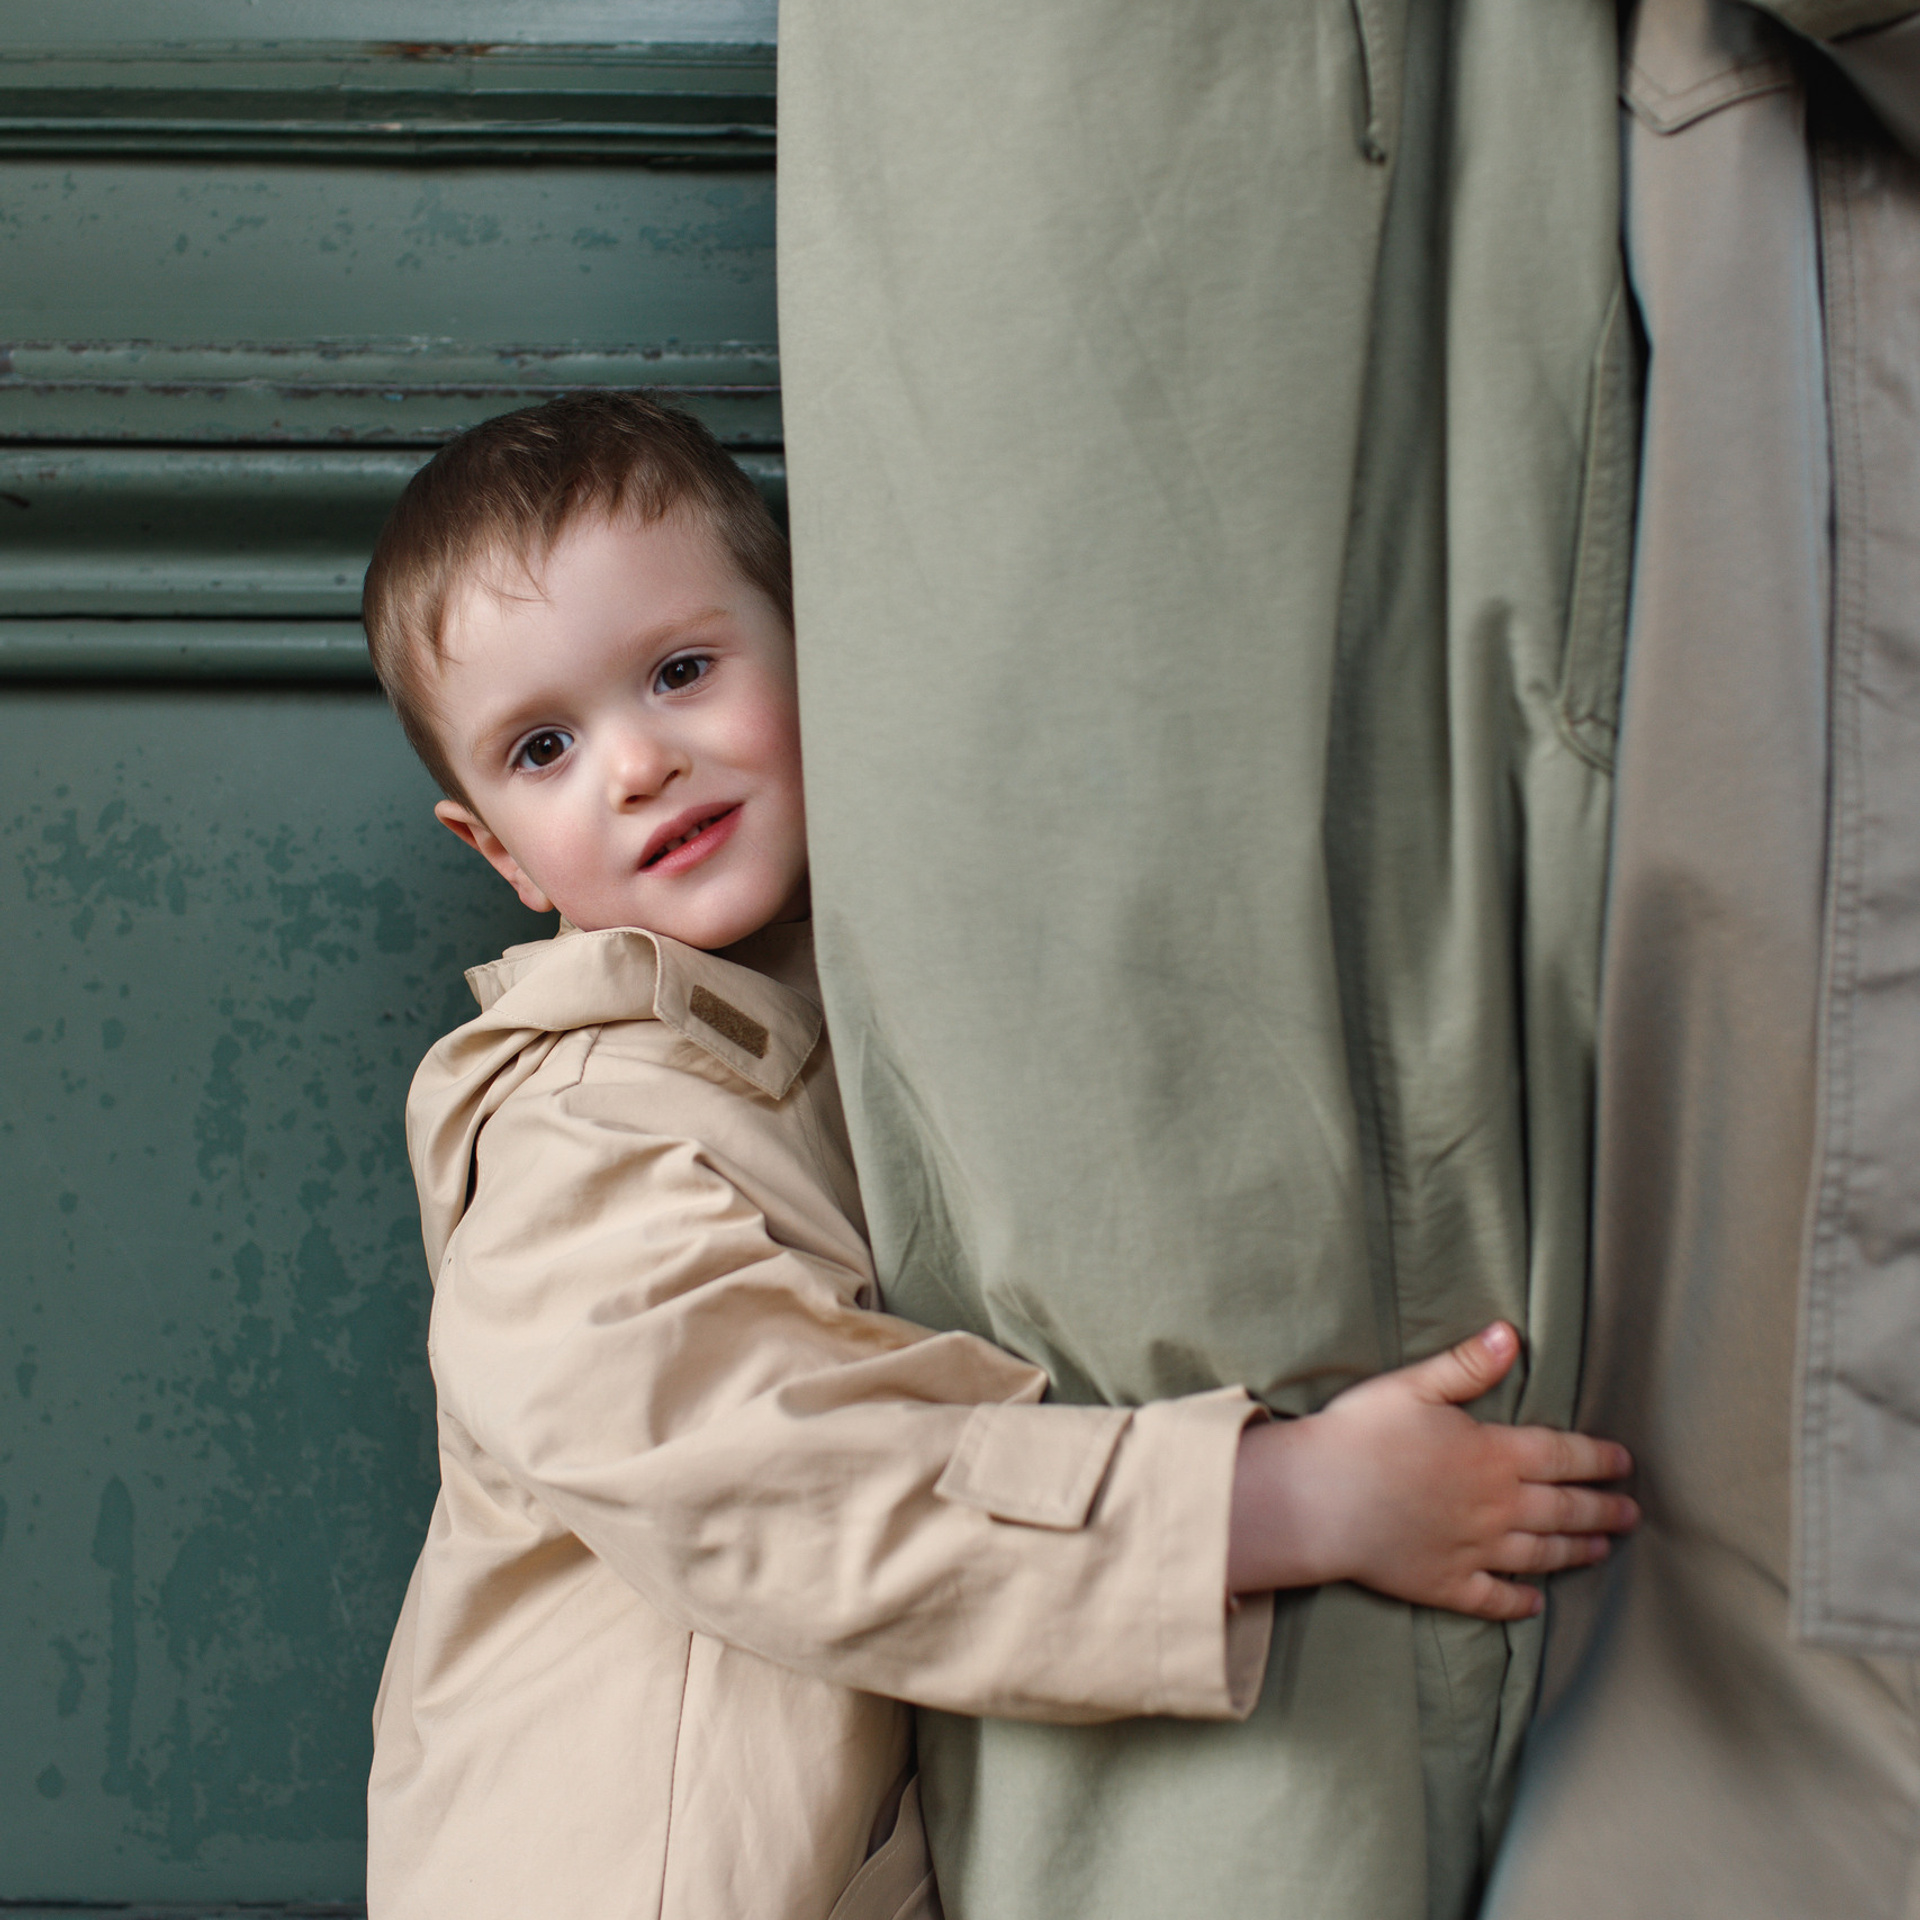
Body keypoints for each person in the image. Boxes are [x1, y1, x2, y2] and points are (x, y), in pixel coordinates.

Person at [355, 391, 1637, 1920]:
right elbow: (784, 1489)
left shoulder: (865, 1012)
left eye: (683, 671)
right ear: (493, 848)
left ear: (816, 650)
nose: (637, 765)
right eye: (545, 747)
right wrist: (1277, 1504)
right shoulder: (586, 1139)